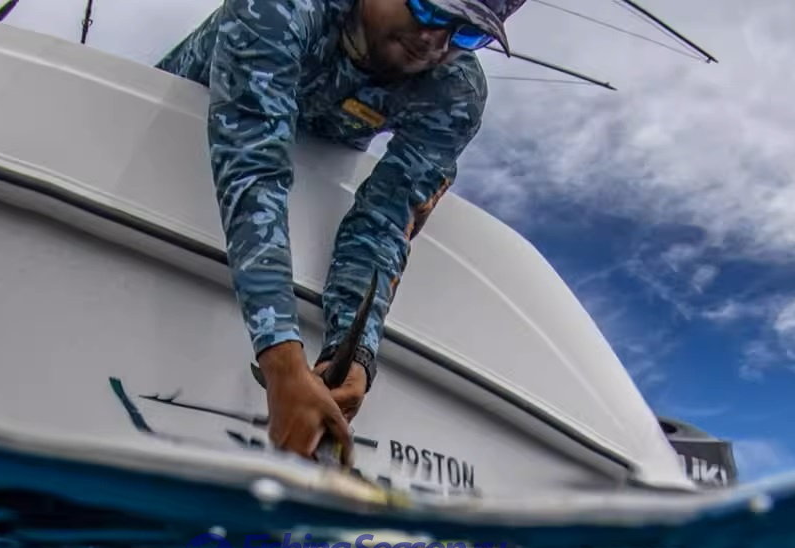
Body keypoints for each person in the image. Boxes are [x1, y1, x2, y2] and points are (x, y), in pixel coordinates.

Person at [156, 0, 526, 466]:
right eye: (429, 9)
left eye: (467, 34)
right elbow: (254, 167)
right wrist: (282, 361)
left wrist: (355, 351)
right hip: (163, 166)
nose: (436, 41)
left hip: (274, 228)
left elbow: (384, 222)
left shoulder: (455, 92)